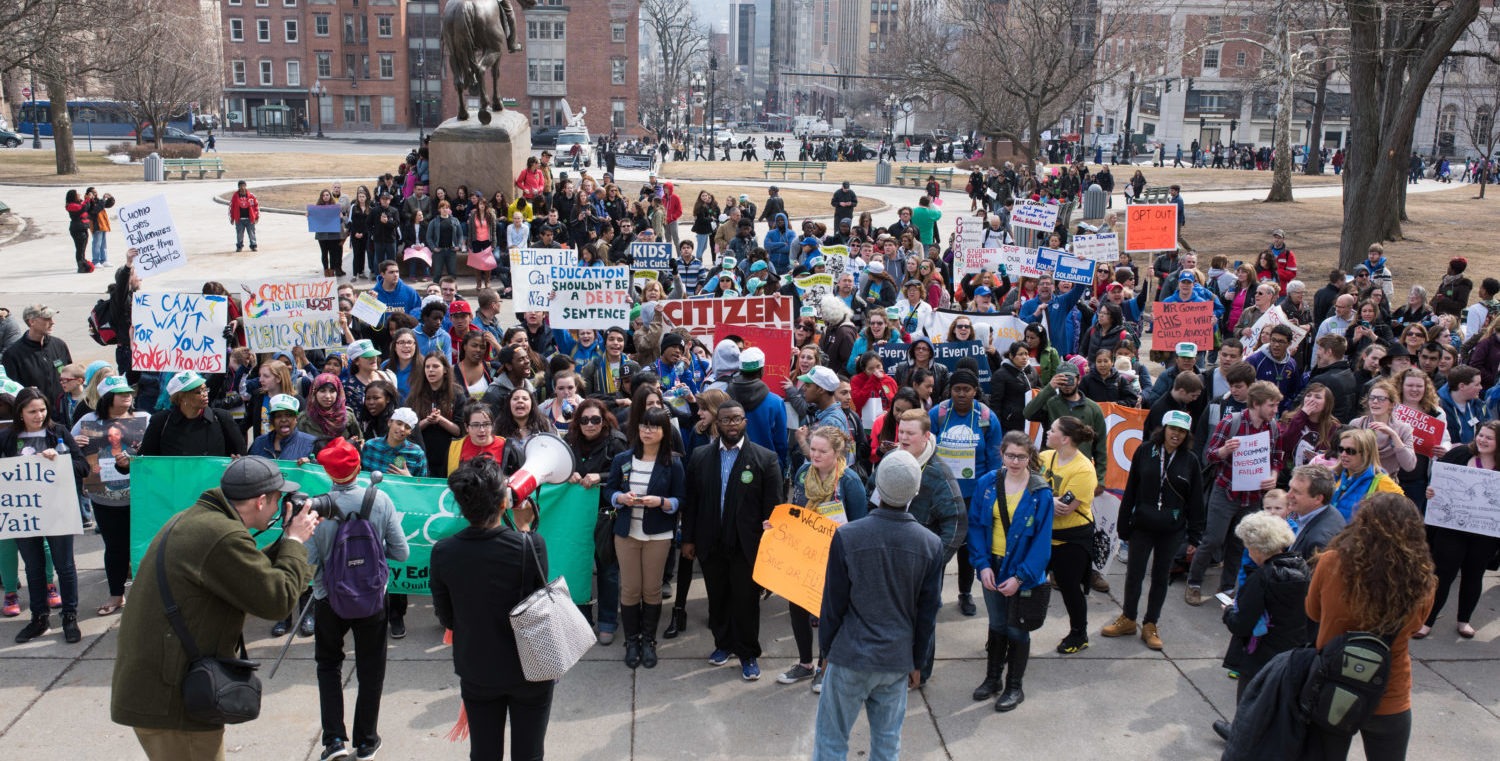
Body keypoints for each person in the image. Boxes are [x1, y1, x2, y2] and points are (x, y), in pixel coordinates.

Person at [112, 456, 318, 759]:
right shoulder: (220, 534)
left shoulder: (200, 519)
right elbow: (278, 600)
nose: (279, 507)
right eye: (278, 500)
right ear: (261, 501)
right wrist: (295, 542)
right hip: (173, 702)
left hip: (162, 687)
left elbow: (246, 571)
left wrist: (290, 540)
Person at [813, 450, 942, 760]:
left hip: (849, 655)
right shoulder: (930, 544)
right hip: (895, 659)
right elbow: (927, 614)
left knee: (831, 741)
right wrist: (917, 662)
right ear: (915, 491)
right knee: (887, 744)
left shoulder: (847, 536)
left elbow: (832, 604)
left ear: (877, 488)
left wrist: (826, 652)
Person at [431, 456, 555, 761]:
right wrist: (525, 529)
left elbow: (447, 617)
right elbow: (539, 603)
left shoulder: (443, 551)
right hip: (530, 669)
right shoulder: (530, 544)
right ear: (503, 503)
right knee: (529, 754)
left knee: (484, 754)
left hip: (477, 668)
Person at [1304, 493, 1435, 760]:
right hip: (1389, 690)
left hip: (1332, 685)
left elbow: (1312, 613)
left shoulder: (1330, 562)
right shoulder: (1423, 580)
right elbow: (1415, 627)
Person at [306, 439, 408, 761]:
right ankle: (366, 742)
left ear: (328, 472)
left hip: (328, 599)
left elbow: (309, 561)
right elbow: (402, 552)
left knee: (328, 666)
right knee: (371, 669)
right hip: (372, 598)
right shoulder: (380, 500)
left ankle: (334, 741)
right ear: (359, 467)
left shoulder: (316, 508)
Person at [681, 399, 783, 682]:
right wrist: (688, 539)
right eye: (726, 419)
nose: (732, 424)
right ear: (718, 423)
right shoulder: (701, 456)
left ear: (745, 422)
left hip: (746, 545)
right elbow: (691, 503)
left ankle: (748, 653)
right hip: (710, 541)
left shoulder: (765, 458)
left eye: (737, 419)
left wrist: (770, 548)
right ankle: (723, 644)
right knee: (717, 598)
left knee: (745, 600)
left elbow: (773, 509)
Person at [967, 431, 1053, 712]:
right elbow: (976, 525)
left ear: (1030, 457)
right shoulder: (987, 483)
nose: (1015, 461)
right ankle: (992, 679)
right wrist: (982, 565)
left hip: (1021, 571)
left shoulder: (1040, 493)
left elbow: (1041, 543)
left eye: (1021, 456)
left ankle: (1015, 686)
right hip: (992, 565)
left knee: (1017, 628)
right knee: (997, 624)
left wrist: (1020, 577)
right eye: (1010, 455)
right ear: (1001, 454)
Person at [1107, 410, 1204, 651]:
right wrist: (1123, 525)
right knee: (1134, 574)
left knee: (1161, 576)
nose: (1176, 435)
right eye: (1173, 429)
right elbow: (1131, 488)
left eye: (1182, 431)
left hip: (1172, 528)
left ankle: (1151, 623)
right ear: (1164, 429)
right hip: (1143, 524)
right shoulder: (1145, 451)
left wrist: (1195, 536)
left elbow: (1196, 500)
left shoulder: (1190, 460)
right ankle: (1128, 618)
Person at [783, 426, 868, 689]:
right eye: (813, 449)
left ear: (837, 453)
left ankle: (825, 666)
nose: (815, 455)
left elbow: (860, 524)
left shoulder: (849, 481)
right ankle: (805, 663)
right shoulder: (802, 473)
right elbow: (796, 509)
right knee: (797, 607)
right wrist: (779, 524)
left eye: (822, 451)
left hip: (835, 558)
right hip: (804, 552)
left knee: (828, 613)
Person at [1212, 511, 1309, 740]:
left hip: (1260, 652)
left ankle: (1241, 738)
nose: (1247, 551)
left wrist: (1228, 612)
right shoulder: (1302, 568)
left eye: (1248, 546)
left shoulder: (1263, 578)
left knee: (1249, 700)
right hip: (1290, 650)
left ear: (1258, 548)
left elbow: (1241, 624)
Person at [0, 389, 87, 643]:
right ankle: (39, 618)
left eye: (42, 410)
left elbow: (82, 466)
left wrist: (60, 459)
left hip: (58, 510)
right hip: (24, 512)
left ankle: (69, 616)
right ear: (20, 413)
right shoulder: (7, 437)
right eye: (32, 411)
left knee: (65, 566)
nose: (39, 415)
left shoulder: (58, 432)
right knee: (34, 567)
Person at [603, 406, 685, 670]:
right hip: (626, 533)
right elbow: (609, 490)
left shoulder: (672, 462)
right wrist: (620, 498)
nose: (648, 431)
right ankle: (632, 641)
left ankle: (648, 640)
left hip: (658, 534)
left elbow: (681, 499)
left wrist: (661, 502)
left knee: (651, 589)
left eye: (654, 426)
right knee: (630, 588)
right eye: (644, 426)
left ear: (664, 431)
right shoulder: (623, 459)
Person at [1188, 381, 1284, 604]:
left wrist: (1274, 475)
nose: (1275, 410)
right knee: (1213, 539)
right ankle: (1194, 582)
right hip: (1226, 492)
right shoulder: (1231, 422)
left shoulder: (1273, 427)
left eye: (1276, 405)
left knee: (1239, 543)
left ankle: (1228, 587)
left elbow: (1277, 457)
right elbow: (1210, 454)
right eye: (1271, 405)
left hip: (1252, 497)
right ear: (1256, 404)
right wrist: (1225, 450)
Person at [930, 368, 1002, 616]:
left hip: (974, 496)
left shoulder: (986, 417)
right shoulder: (938, 414)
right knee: (939, 545)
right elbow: (927, 448)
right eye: (957, 389)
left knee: (968, 548)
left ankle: (965, 593)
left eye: (966, 390)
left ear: (975, 391)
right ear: (950, 390)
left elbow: (994, 458)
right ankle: (933, 594)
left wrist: (990, 494)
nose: (961, 394)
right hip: (942, 495)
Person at [1420, 420, 1500, 639]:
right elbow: (1438, 483)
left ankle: (1464, 620)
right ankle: (1426, 621)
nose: (1482, 440)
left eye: (1489, 438)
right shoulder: (1460, 454)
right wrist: (1431, 492)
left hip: (1484, 534)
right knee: (1442, 575)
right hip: (1452, 529)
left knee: (1474, 575)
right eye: (1481, 435)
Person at [3, 304, 73, 424]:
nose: (52, 322)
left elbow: (70, 374)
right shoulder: (13, 354)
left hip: (64, 415)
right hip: (36, 419)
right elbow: (12, 394)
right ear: (32, 322)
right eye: (47, 319)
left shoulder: (59, 345)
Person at [248, 394, 319, 462]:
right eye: (278, 416)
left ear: (296, 419)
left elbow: (320, 468)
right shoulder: (259, 442)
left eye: (288, 415)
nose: (283, 420)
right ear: (272, 420)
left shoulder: (311, 443)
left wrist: (310, 465)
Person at [228, 180, 259, 252]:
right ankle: (239, 246)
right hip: (239, 219)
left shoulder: (251, 196)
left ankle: (253, 246)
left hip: (250, 219)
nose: (242, 187)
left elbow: (256, 207)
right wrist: (232, 218)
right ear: (238, 187)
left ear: (245, 186)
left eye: (243, 186)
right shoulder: (235, 196)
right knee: (239, 234)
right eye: (240, 186)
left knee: (251, 233)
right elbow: (231, 207)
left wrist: (256, 217)